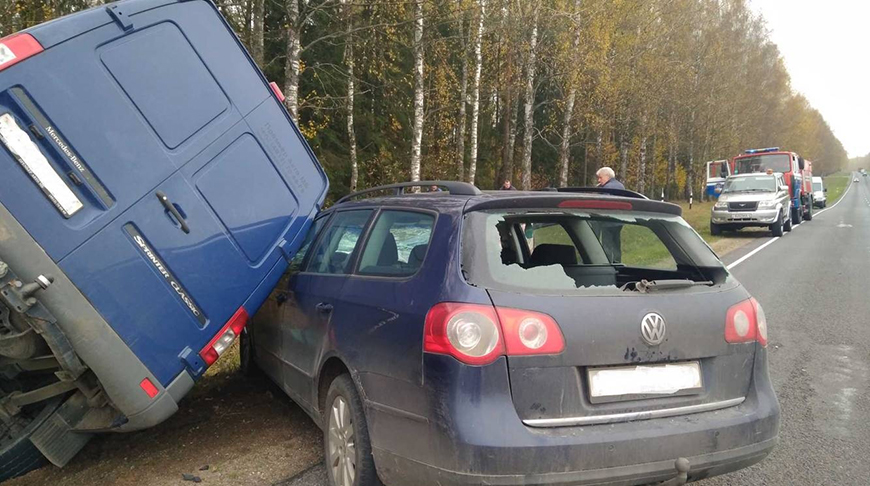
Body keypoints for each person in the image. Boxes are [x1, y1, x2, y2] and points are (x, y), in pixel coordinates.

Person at [594, 167, 624, 262]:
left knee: (607, 244)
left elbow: (603, 204)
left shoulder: (607, 188)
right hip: (619, 220)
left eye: (600, 177)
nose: (599, 180)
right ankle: (617, 262)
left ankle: (607, 263)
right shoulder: (620, 186)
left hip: (607, 221)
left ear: (607, 176)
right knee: (616, 243)